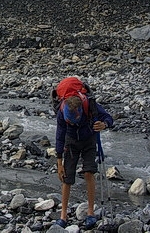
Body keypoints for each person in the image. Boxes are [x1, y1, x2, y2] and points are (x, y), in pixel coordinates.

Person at [53, 76, 114, 229]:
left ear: (80, 111)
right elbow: (60, 136)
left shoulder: (89, 105)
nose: (72, 123)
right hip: (71, 141)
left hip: (89, 139)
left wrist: (104, 124)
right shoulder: (62, 112)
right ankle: (63, 215)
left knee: (89, 173)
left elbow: (108, 117)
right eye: (70, 122)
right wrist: (59, 162)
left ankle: (91, 213)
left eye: (74, 121)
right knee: (66, 177)